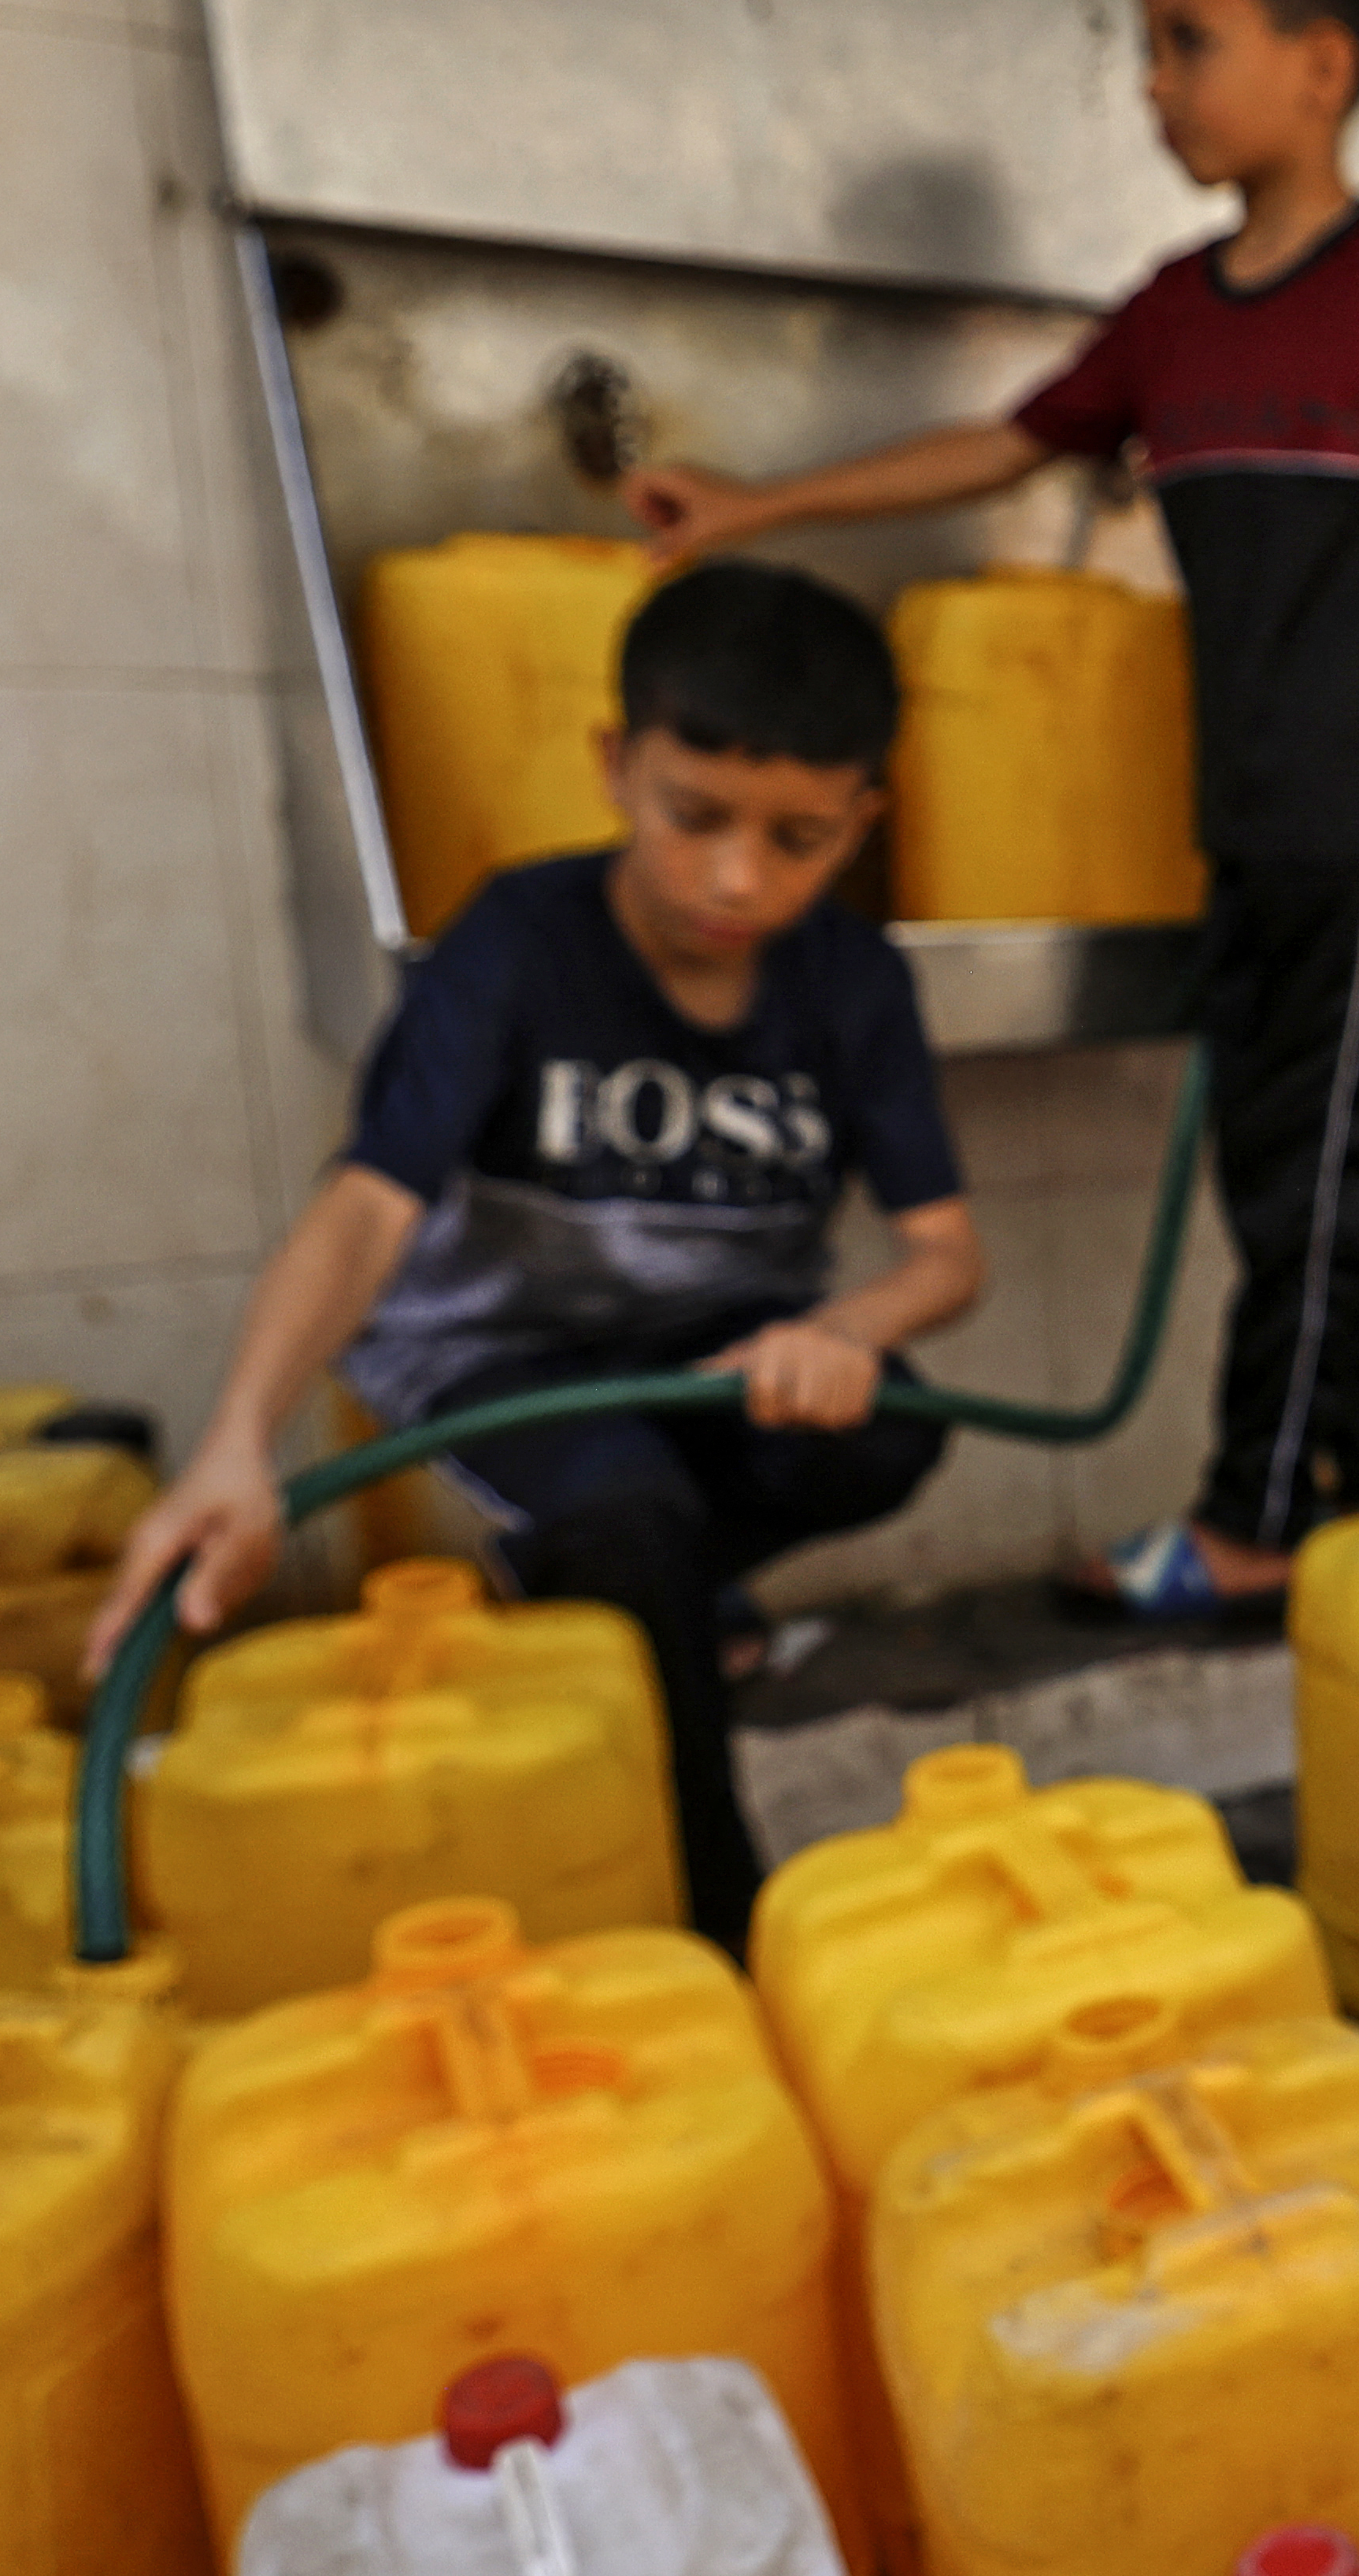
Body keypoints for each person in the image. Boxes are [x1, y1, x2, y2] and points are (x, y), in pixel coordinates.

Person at [632, 0, 1359, 1621]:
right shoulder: (1172, 319)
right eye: (1144, 46)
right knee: (1297, 1174)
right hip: (1248, 819)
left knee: (1310, 1179)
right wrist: (756, 505)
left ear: (1322, 65)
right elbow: (998, 449)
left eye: (1188, 40)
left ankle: (1260, 1518)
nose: (1156, 82)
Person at [94, 562, 980, 1955]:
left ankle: (615, 1578)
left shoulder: (856, 982)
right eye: (696, 819)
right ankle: (718, 1935)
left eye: (800, 838)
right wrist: (238, 1439)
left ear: (862, 817)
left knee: (881, 1439)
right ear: (616, 767)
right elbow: (367, 1210)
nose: (740, 877)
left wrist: (852, 1328)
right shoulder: (514, 943)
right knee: (632, 1530)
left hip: (710, 1345)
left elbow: (943, 1253)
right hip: (505, 1355)